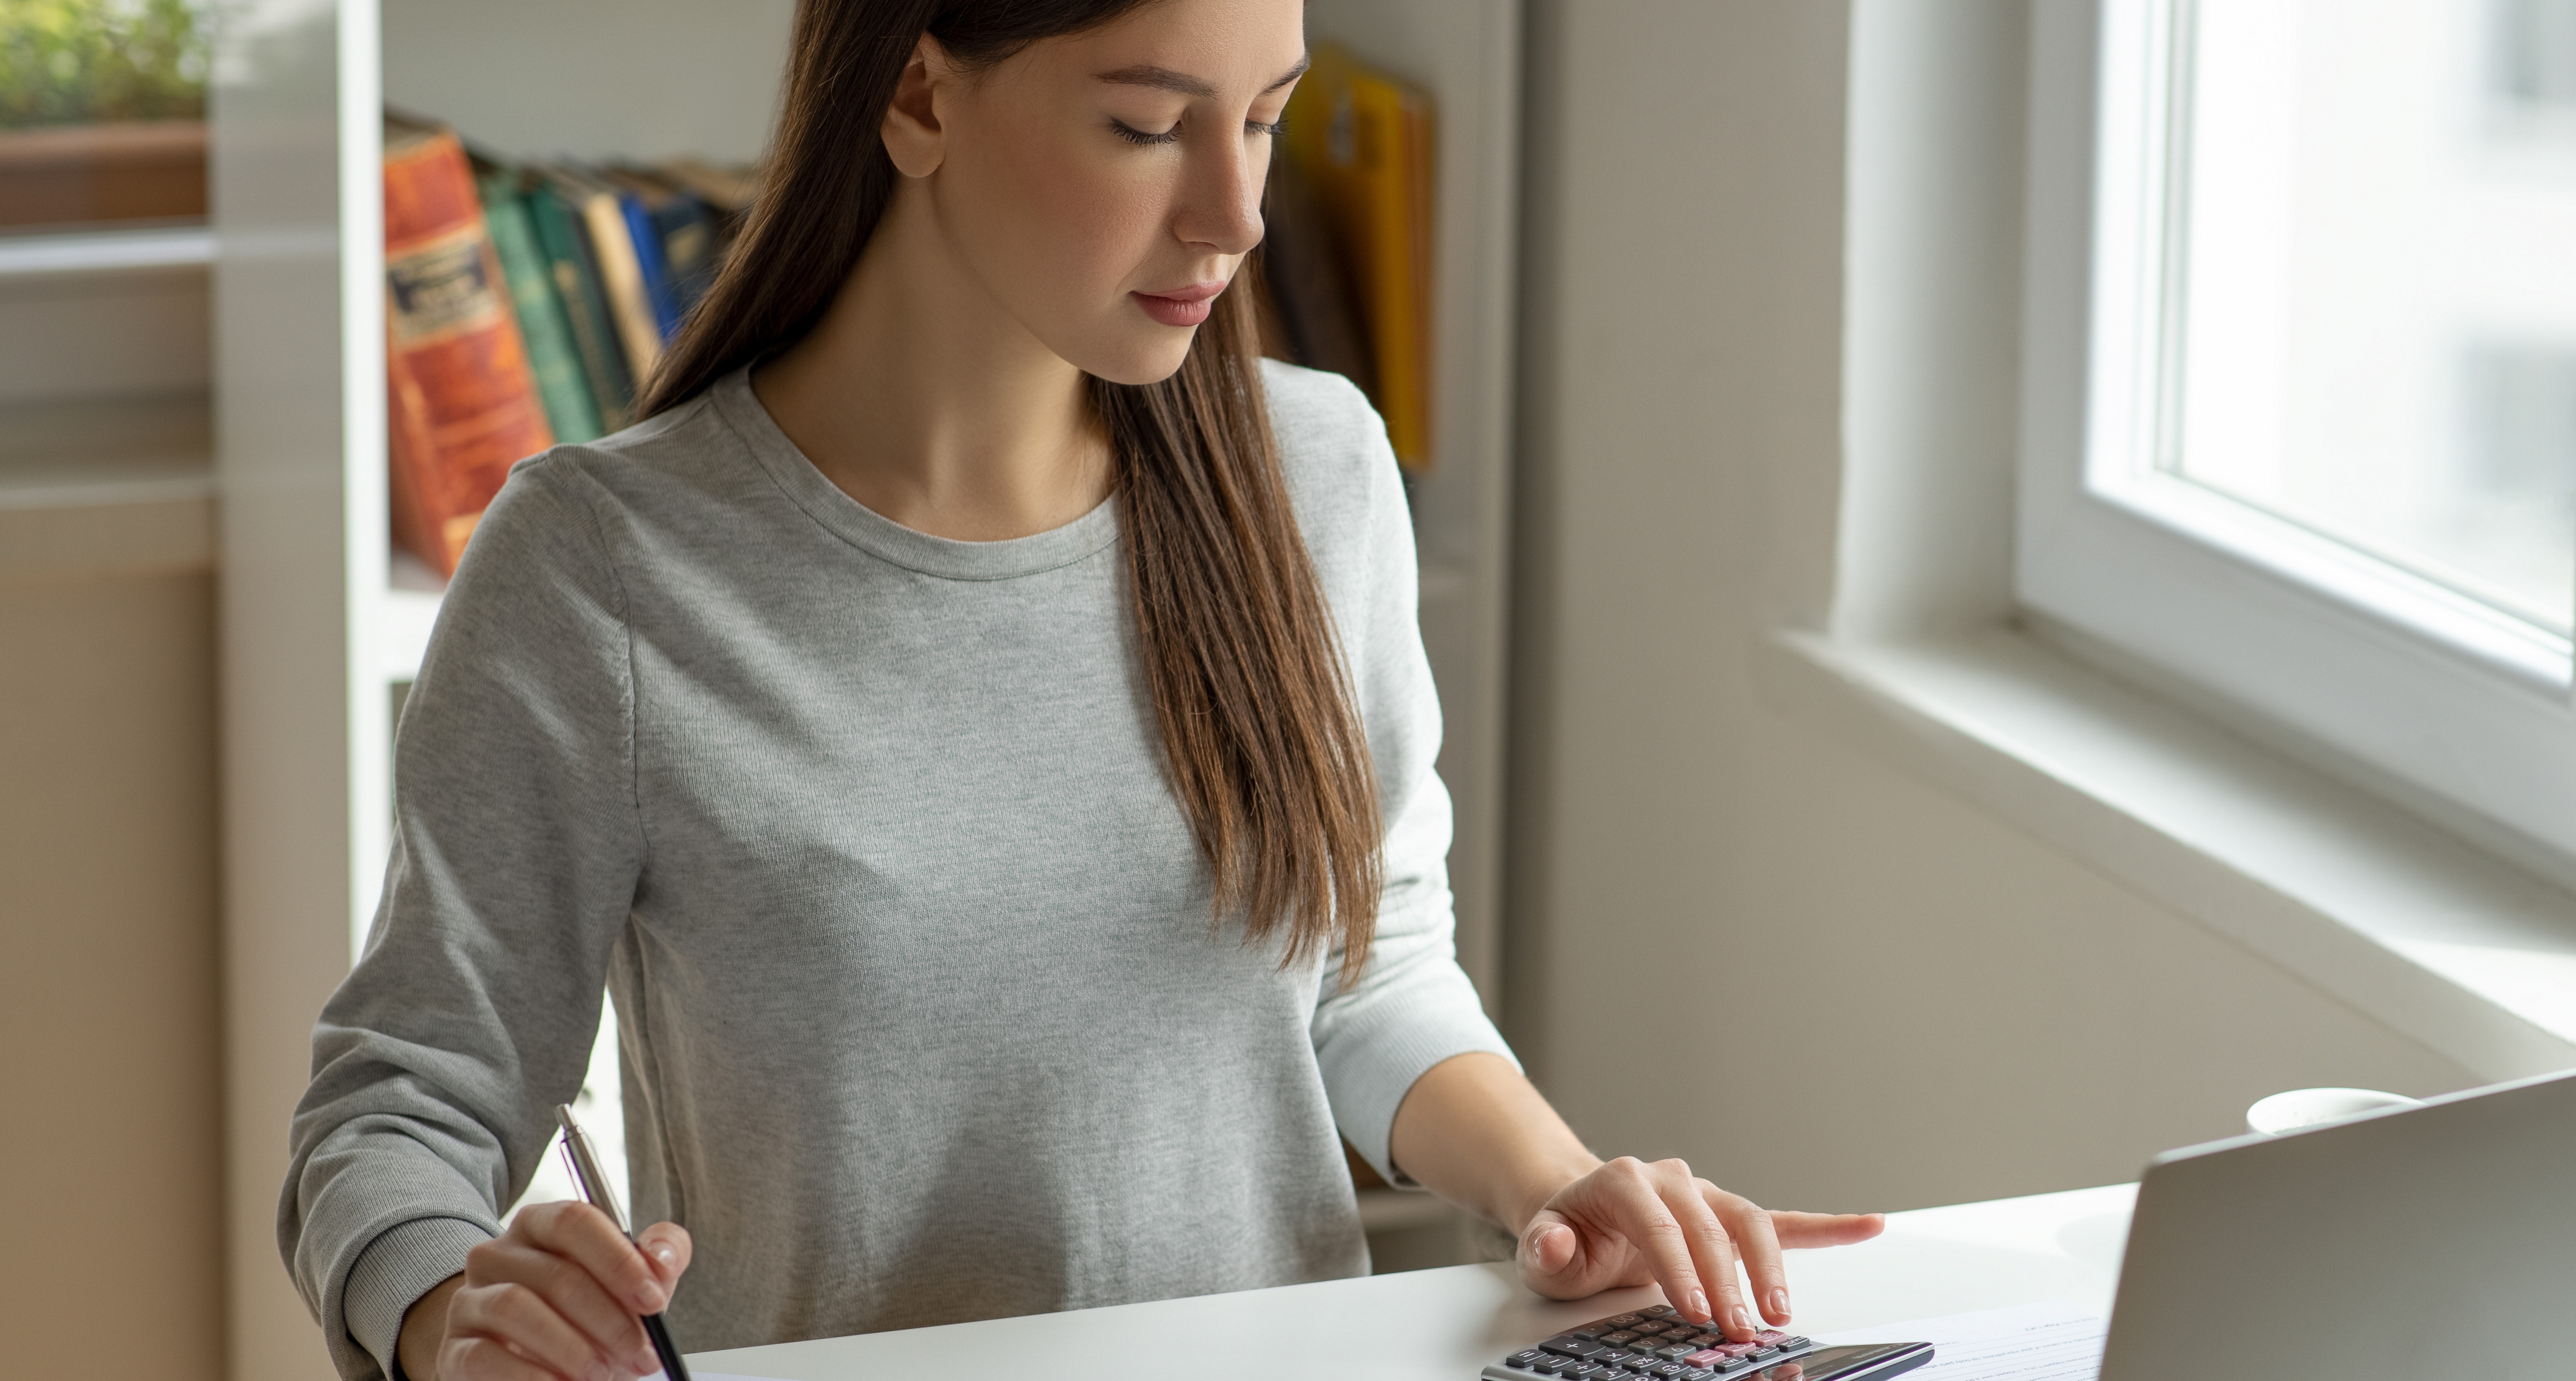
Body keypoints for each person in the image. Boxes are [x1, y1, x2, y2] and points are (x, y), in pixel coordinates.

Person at [280, 2, 1884, 1379]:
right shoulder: (604, 571)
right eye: (1146, 126)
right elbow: (402, 1102)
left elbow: (1365, 967)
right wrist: (448, 1314)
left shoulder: (1313, 473)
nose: (1236, 213)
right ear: (916, 97)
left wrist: (1559, 1181)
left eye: (1264, 121)